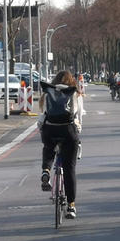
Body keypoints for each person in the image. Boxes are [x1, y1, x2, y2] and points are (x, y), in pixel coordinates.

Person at [39, 70, 84, 219]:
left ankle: (46, 170)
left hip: (50, 129)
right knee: (69, 167)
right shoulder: (74, 93)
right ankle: (71, 206)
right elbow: (78, 116)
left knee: (48, 148)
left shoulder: (48, 93)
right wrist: (78, 132)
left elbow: (43, 114)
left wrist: (42, 128)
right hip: (68, 130)